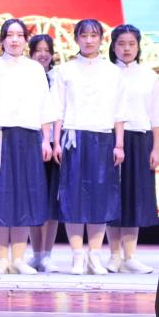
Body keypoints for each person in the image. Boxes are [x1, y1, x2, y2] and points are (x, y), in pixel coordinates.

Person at [0, 19, 56, 275]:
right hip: (0, 137)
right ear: (2, 40)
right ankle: (1, 259)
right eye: (9, 35)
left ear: (25, 40)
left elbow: (45, 105)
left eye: (19, 35)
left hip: (30, 138)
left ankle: (18, 259)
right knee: (0, 197)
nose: (14, 39)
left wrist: (46, 139)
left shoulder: (35, 69)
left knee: (24, 197)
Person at [53, 18, 125, 275]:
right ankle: (77, 256)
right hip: (73, 138)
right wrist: (55, 141)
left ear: (101, 39)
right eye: (83, 35)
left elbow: (119, 111)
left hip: (103, 138)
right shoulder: (65, 70)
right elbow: (57, 108)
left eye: (94, 35)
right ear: (76, 39)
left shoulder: (113, 72)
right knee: (73, 197)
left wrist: (119, 144)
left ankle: (95, 255)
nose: (89, 40)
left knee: (100, 198)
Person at [106, 24, 159, 274]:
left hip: (141, 140)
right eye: (121, 43)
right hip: (111, 139)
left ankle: (130, 256)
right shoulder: (107, 73)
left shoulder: (148, 76)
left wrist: (156, 149)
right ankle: (114, 256)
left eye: (131, 44)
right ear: (113, 46)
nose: (126, 49)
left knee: (135, 197)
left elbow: (157, 115)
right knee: (113, 196)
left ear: (138, 46)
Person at [27, 33, 61, 271]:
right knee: (33, 198)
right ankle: (35, 253)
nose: (42, 54)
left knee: (51, 201)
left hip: (54, 144)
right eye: (38, 50)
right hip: (30, 142)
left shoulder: (58, 77)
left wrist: (54, 141)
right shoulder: (26, 75)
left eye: (46, 50)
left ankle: (47, 254)